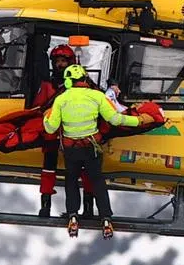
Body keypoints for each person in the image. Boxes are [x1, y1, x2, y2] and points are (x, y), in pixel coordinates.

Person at [43, 63, 154, 238]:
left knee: (71, 180)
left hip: (72, 150)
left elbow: (50, 128)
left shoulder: (61, 100)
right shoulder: (97, 96)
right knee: (97, 181)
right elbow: (116, 119)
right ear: (85, 79)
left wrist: (46, 118)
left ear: (69, 81)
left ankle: (72, 215)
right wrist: (139, 121)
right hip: (91, 148)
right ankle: (106, 218)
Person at [35, 44, 77, 217]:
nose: (60, 65)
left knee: (76, 171)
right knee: (48, 168)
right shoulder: (47, 84)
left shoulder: (79, 84)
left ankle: (79, 208)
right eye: (57, 61)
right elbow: (39, 105)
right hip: (53, 133)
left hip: (73, 134)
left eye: (63, 61)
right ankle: (46, 205)